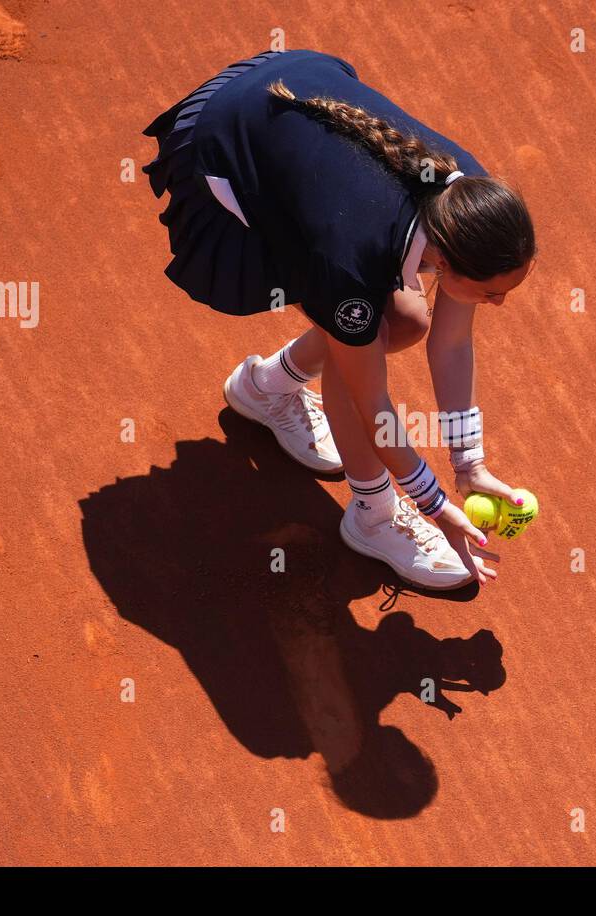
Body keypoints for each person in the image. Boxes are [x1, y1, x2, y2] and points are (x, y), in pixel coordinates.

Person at [143, 49, 536, 589]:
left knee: (408, 324)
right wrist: (432, 501)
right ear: (444, 260)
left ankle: (266, 389)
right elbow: (368, 402)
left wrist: (468, 464)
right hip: (223, 149)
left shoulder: (470, 204)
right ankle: (372, 516)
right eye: (492, 293)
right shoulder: (349, 260)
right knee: (366, 341)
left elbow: (449, 346)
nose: (500, 304)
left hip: (290, 88)